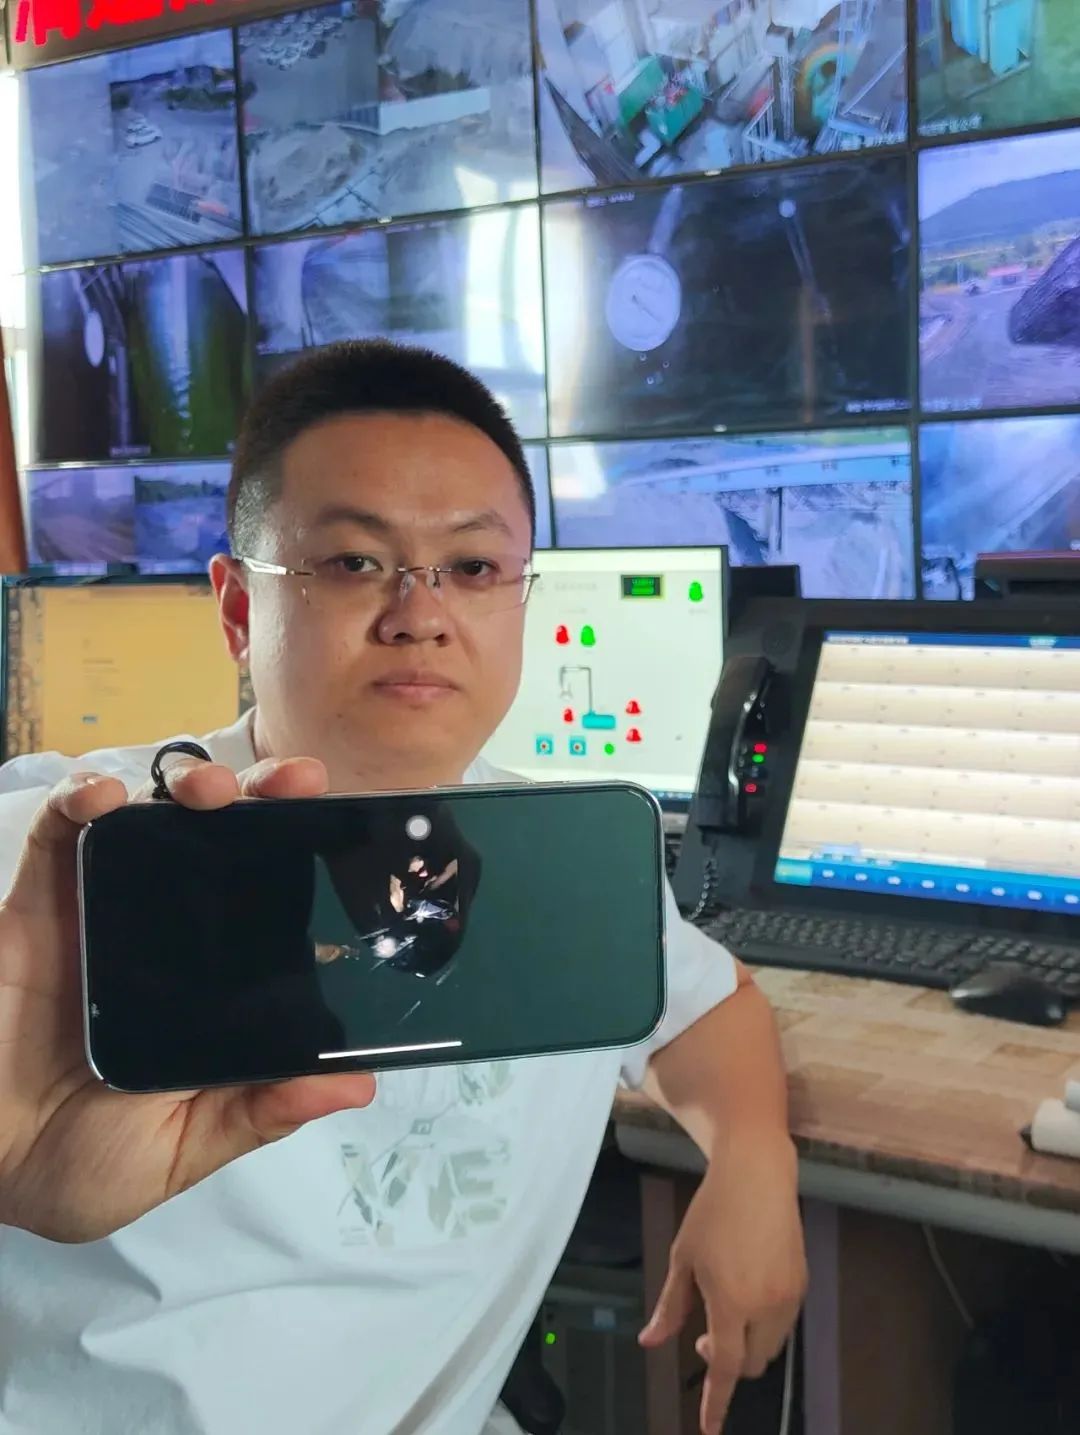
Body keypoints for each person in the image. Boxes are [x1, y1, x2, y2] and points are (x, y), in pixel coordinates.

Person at [0, 340, 806, 1435]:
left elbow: (709, 1010)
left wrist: (755, 1160)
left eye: (471, 568)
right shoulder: (62, 851)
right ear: (237, 610)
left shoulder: (565, 863)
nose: (420, 613)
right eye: (352, 561)